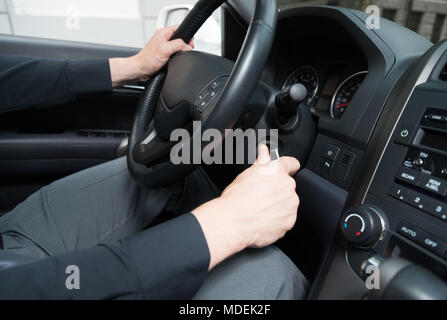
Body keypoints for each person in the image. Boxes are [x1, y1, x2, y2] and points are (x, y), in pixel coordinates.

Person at [0, 26, 308, 299]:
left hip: (9, 246)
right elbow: (52, 286)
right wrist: (227, 224)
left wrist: (132, 66)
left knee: (169, 175)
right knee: (272, 275)